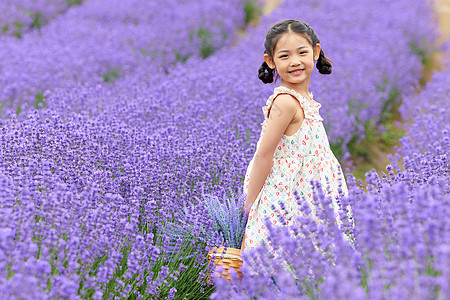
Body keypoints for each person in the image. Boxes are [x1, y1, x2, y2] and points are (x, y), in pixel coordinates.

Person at [241, 19, 349, 252]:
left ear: (316, 52)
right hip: (287, 201)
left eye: (302, 52)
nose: (295, 62)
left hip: (312, 197)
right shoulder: (285, 103)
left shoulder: (306, 100)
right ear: (270, 61)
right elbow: (263, 155)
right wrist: (249, 208)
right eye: (284, 56)